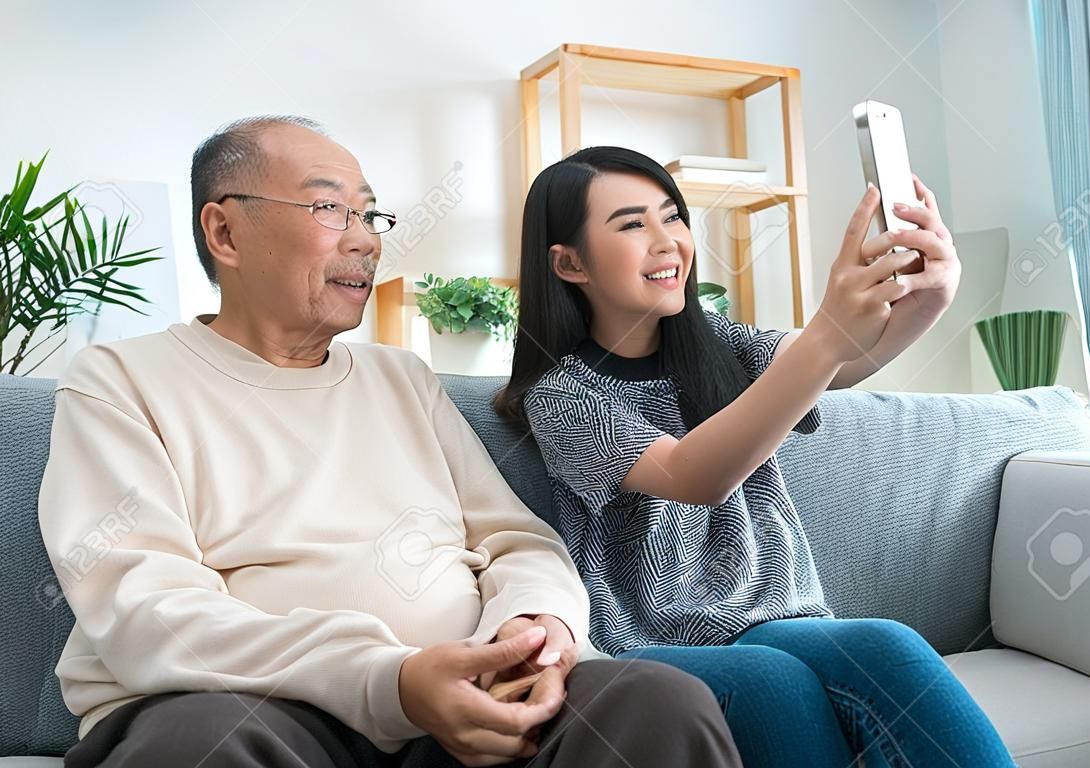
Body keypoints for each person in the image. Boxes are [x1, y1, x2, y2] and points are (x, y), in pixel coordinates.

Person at [39, 120, 743, 768]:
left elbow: (516, 542)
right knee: (196, 748)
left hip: (468, 697)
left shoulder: (399, 377)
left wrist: (533, 624)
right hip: (267, 714)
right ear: (225, 233)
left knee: (656, 703)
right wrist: (392, 679)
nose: (366, 239)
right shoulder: (120, 380)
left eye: (369, 215)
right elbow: (144, 607)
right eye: (330, 210)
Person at [496, 145, 1016, 767]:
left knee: (887, 643)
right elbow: (692, 475)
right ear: (570, 263)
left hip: (777, 616)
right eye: (633, 225)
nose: (668, 243)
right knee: (771, 684)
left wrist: (934, 291)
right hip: (649, 641)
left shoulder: (719, 341)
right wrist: (825, 331)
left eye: (673, 216)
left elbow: (844, 361)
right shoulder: (562, 395)